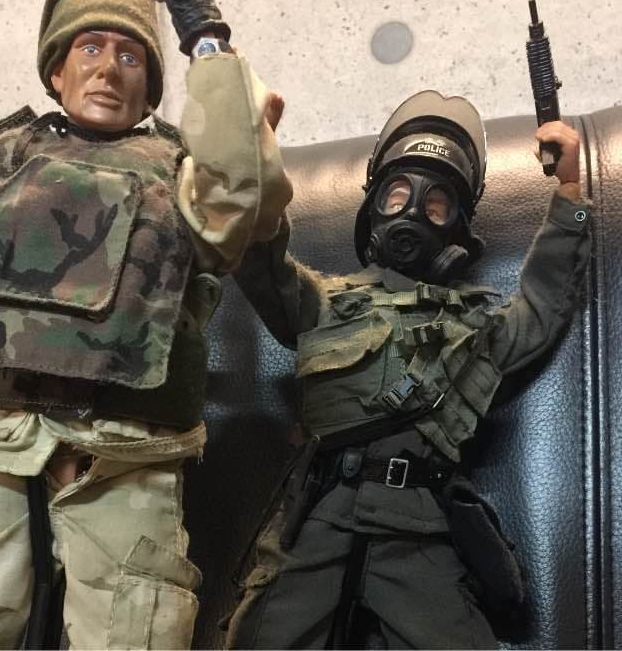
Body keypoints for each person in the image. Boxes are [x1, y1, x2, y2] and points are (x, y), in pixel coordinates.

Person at [0, 0, 290, 650]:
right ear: (56, 69)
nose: (109, 69)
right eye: (89, 48)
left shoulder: (181, 176)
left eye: (131, 56)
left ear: (151, 86)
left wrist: (205, 39)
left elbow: (245, 192)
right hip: (7, 455)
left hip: (125, 460)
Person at [226, 90, 590, 649]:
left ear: (459, 229)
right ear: (372, 210)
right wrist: (256, 169)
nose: (414, 212)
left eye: (436, 203)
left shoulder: (473, 327)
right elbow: (261, 260)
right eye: (397, 195)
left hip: (419, 525)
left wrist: (570, 193)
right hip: (319, 515)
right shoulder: (324, 303)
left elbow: (542, 308)